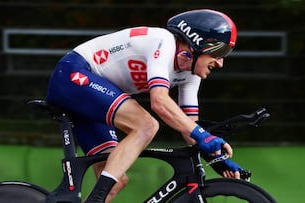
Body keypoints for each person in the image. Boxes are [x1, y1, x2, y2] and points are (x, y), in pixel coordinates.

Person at [46, 9, 242, 203]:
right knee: (146, 125)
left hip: (93, 98)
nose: (221, 63)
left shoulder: (190, 74)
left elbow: (189, 128)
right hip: (73, 75)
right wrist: (203, 136)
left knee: (115, 181)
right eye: (219, 52)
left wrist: (218, 161)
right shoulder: (163, 41)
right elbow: (159, 101)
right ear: (196, 43)